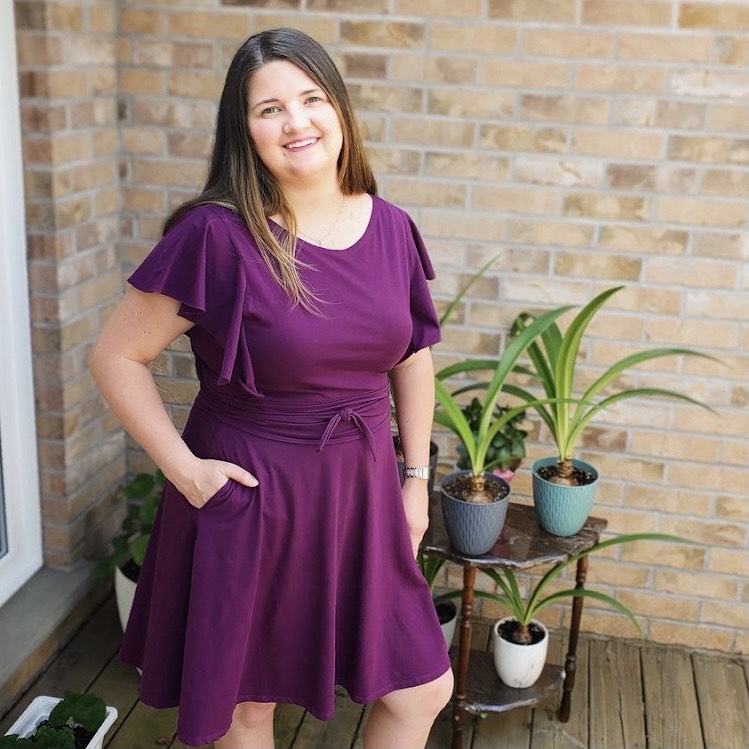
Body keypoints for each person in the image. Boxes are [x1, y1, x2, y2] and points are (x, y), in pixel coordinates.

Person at [89, 27, 453, 749]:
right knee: (248, 705)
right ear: (244, 130)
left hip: (361, 491)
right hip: (253, 496)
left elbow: (412, 356)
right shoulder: (215, 236)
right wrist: (186, 471)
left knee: (421, 689)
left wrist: (415, 482)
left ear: (338, 108)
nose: (296, 122)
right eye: (269, 109)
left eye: (311, 99)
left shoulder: (391, 227)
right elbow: (116, 357)